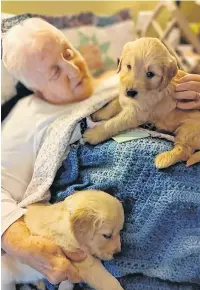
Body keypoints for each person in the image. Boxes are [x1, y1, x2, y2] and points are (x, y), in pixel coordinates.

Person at [1, 17, 115, 286]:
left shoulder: (117, 80)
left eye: (68, 52)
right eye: (55, 71)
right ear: (34, 88)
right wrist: (23, 243)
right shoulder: (25, 120)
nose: (74, 69)